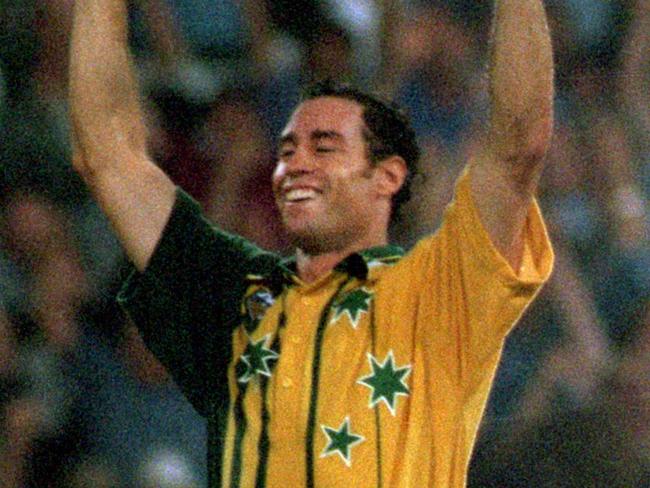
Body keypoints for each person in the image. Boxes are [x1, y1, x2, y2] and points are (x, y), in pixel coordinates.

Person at [68, 0, 554, 486]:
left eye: (324, 148)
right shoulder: (234, 293)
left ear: (387, 176)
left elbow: (518, 148)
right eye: (286, 151)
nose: (295, 165)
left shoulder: (439, 292)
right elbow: (108, 157)